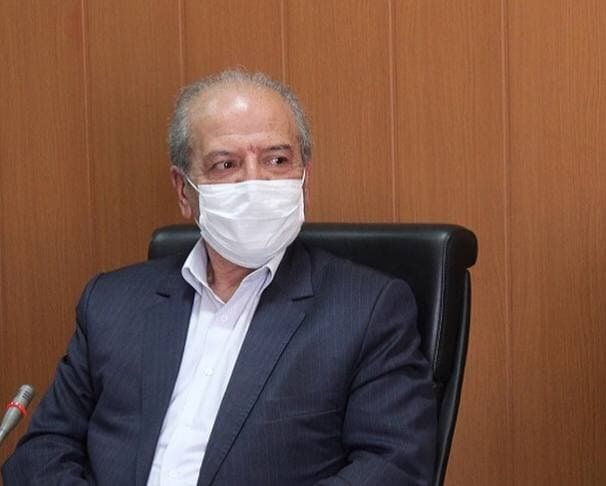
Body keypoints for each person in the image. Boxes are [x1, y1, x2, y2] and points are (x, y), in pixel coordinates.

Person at [2, 70, 436, 485]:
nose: (254, 181)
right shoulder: (111, 303)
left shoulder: (367, 310)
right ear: (183, 191)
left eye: (277, 159)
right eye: (226, 164)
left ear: (305, 179)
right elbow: (42, 451)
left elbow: (393, 467)